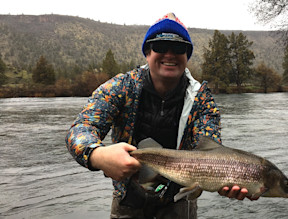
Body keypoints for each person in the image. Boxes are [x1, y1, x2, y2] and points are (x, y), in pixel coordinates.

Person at [65, 13, 254, 219]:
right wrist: (97, 156)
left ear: (187, 55)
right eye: (161, 46)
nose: (170, 54)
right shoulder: (120, 87)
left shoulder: (201, 99)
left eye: (179, 48)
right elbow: (81, 128)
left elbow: (210, 149)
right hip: (128, 198)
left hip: (179, 200)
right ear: (148, 52)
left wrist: (229, 177)